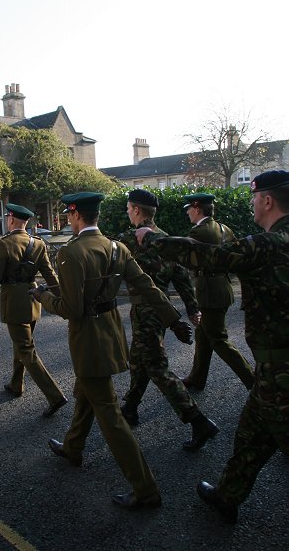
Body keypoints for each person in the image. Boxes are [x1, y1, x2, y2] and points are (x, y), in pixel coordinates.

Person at [136, 170, 289, 523]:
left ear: (267, 200)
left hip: (282, 371)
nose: (251, 202)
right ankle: (226, 496)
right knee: (252, 434)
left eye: (254, 197)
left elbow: (210, 259)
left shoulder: (270, 244)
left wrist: (153, 240)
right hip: (271, 372)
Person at [30, 191, 193, 509]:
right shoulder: (117, 247)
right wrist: (173, 320)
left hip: (89, 341)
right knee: (86, 394)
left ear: (76, 215)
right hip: (112, 332)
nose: (66, 218)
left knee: (110, 415)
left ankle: (145, 489)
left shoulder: (71, 252)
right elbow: (147, 285)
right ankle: (73, 447)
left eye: (68, 214)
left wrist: (41, 297)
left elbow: (72, 308)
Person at [119, 189, 218, 450]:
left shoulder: (131, 239)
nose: (127, 213)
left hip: (146, 311)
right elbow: (182, 279)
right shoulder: (164, 239)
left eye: (129, 208)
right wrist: (192, 308)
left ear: (137, 210)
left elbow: (104, 251)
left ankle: (199, 422)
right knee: (140, 359)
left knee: (156, 367)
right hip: (160, 312)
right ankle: (130, 406)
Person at [0, 202, 68, 417]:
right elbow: (50, 275)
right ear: (26, 222)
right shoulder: (37, 243)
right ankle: (16, 383)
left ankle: (54, 395)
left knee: (26, 349)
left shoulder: (4, 244)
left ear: (10, 219)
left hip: (14, 303)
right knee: (22, 343)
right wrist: (62, 298)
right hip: (33, 300)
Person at [181, 192, 254, 391]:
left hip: (210, 293)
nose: (187, 213)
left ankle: (253, 381)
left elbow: (184, 256)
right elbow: (238, 256)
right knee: (203, 335)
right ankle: (197, 377)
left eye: (189, 209)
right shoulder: (224, 229)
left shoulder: (200, 232)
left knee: (219, 340)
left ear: (196, 208)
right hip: (221, 287)